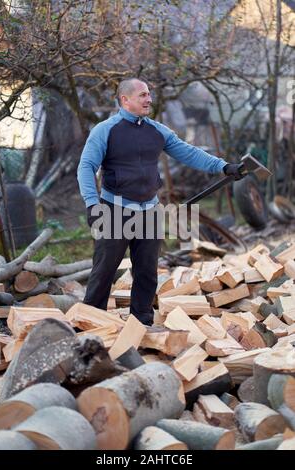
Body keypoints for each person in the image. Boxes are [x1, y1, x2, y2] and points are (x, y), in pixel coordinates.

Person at [77, 78, 242, 326]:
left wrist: (224, 167)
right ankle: (90, 323)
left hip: (149, 210)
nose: (149, 99)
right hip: (113, 209)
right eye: (143, 95)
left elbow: (190, 152)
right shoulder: (105, 130)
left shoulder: (157, 130)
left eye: (149, 94)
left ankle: (141, 323)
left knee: (146, 271)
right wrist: (92, 204)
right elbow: (86, 167)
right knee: (104, 270)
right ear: (125, 99)